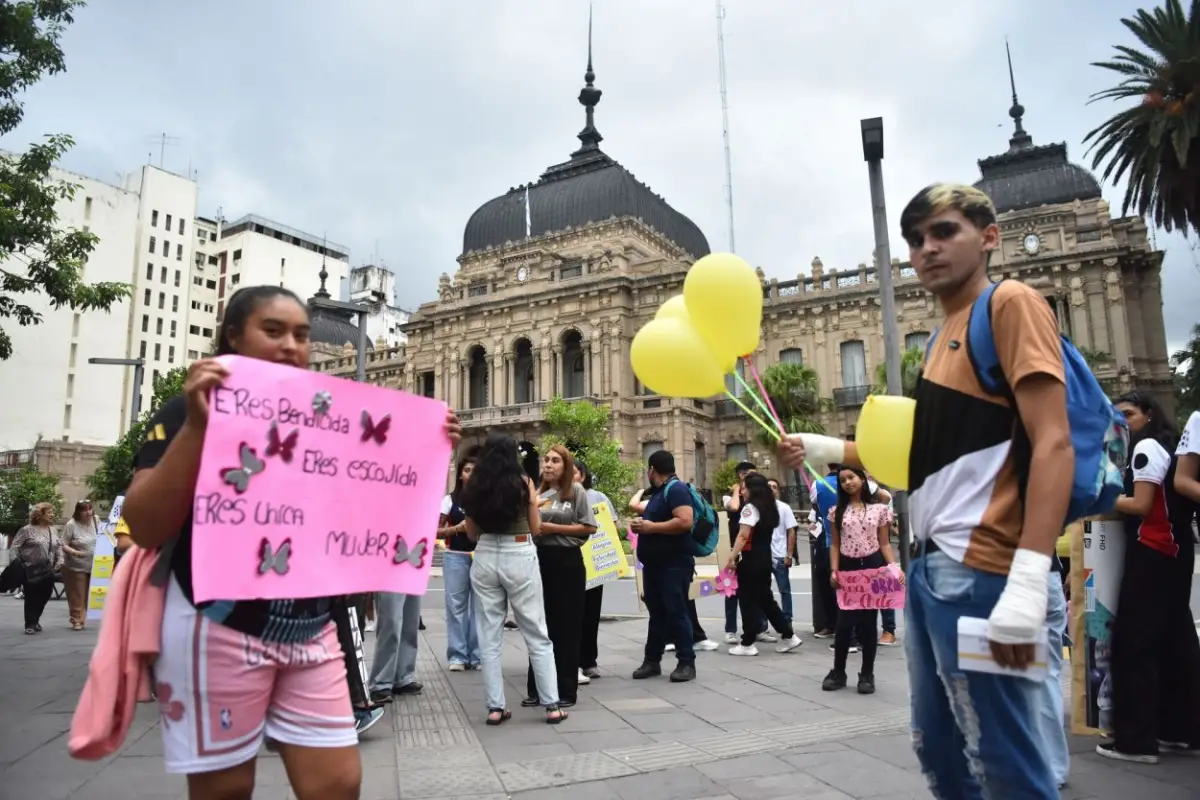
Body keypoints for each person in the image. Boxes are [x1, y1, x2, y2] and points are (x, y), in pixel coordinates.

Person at [776, 184, 1074, 798]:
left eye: (944, 232)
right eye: (916, 240)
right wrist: (824, 447)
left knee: (1006, 754)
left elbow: (1054, 443)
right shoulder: (942, 339)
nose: (928, 249)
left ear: (989, 237)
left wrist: (1028, 576)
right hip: (936, 574)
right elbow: (920, 457)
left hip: (990, 575)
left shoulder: (1010, 305)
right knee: (940, 748)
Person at [120, 283, 463, 799]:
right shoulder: (184, 411)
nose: (291, 345)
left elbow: (362, 511)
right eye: (273, 330)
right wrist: (196, 427)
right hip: (215, 621)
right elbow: (144, 524)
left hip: (310, 625)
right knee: (225, 790)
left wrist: (422, 449)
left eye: (301, 335)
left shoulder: (329, 422)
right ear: (233, 336)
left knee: (339, 783)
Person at [1099, 392, 1200, 763]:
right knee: (1177, 641)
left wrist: (1102, 499)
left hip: (1153, 550)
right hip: (1173, 551)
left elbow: (1141, 505)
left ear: (1149, 414)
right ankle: (1183, 731)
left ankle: (1136, 741)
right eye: (1118, 415)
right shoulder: (1166, 448)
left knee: (1134, 643)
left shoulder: (1146, 450)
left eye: (1129, 413)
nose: (1123, 421)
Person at [461, 433, 566, 725]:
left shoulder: (474, 486)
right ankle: (552, 705)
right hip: (519, 552)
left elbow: (470, 534)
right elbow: (535, 528)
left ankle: (495, 708)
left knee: (489, 637)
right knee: (536, 631)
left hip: (484, 555)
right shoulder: (524, 483)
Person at [525, 445, 596, 708]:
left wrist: (551, 527)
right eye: (546, 460)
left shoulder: (575, 491)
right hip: (539, 560)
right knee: (539, 626)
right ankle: (537, 689)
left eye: (555, 460)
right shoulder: (537, 493)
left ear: (566, 467)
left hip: (567, 563)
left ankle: (566, 690)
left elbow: (588, 528)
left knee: (566, 628)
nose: (549, 464)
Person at [822, 467, 899, 694]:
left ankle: (867, 673)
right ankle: (838, 671)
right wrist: (834, 570)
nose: (847, 482)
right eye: (843, 480)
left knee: (868, 625)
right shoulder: (837, 511)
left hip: (873, 567)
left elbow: (884, 542)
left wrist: (893, 567)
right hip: (848, 568)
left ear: (862, 480)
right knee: (844, 625)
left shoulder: (879, 510)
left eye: (851, 478)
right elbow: (835, 544)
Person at [630, 450, 697, 683]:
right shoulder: (660, 493)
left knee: (677, 612)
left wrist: (650, 528)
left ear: (652, 470)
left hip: (673, 564)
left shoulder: (676, 489)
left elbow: (685, 521)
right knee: (657, 614)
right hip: (655, 564)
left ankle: (686, 662)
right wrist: (644, 524)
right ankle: (652, 661)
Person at [630, 487, 719, 655]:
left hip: (671, 562)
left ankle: (683, 647)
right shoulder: (679, 499)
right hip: (678, 560)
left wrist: (641, 490)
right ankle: (686, 641)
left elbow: (634, 505)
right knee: (677, 603)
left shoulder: (663, 501)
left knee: (675, 605)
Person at [724, 473, 803, 656]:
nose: (741, 490)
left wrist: (732, 557)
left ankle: (747, 643)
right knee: (766, 599)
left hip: (751, 559)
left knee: (747, 600)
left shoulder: (750, 508)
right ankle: (788, 635)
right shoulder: (769, 507)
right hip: (765, 557)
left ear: (752, 489)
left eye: (744, 487)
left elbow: (743, 535)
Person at [437, 452, 481, 672]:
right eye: (466, 470)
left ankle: (477, 655)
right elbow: (435, 529)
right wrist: (457, 529)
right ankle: (457, 655)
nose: (471, 474)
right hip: (455, 555)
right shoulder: (449, 500)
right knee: (456, 607)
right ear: (460, 475)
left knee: (480, 608)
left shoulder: (488, 499)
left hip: (482, 556)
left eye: (475, 470)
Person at [576, 459, 614, 681]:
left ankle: (589, 660)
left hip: (594, 565)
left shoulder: (598, 497)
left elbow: (611, 526)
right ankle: (572, 660)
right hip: (569, 562)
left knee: (591, 614)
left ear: (582, 474)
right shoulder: (558, 497)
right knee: (572, 615)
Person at [722, 461, 766, 643]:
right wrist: (735, 490)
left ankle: (760, 628)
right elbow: (733, 507)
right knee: (731, 590)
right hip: (735, 547)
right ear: (741, 475)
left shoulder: (757, 500)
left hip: (753, 549)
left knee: (757, 591)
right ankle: (730, 630)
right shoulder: (731, 497)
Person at [10, 502, 60, 635]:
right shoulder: (27, 530)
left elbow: (58, 547)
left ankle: (36, 619)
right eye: (49, 513)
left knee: (45, 595)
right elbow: (15, 547)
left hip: (48, 569)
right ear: (40, 515)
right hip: (30, 568)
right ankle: (30, 624)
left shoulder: (53, 530)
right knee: (32, 597)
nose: (52, 515)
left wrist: (60, 561)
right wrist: (17, 564)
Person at [61, 500, 99, 631]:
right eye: (85, 510)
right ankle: (77, 620)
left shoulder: (96, 520)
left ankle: (85, 615)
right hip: (76, 565)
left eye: (90, 509)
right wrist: (75, 552)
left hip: (94, 564)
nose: (88, 512)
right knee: (77, 593)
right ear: (78, 512)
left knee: (90, 593)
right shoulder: (71, 525)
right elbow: (63, 544)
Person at [766, 478, 798, 621]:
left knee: (784, 590)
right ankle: (763, 624)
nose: (772, 489)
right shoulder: (757, 507)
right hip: (763, 556)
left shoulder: (784, 508)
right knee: (763, 592)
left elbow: (791, 531)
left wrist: (789, 555)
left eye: (774, 487)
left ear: (778, 491)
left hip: (780, 556)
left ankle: (787, 619)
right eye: (769, 486)